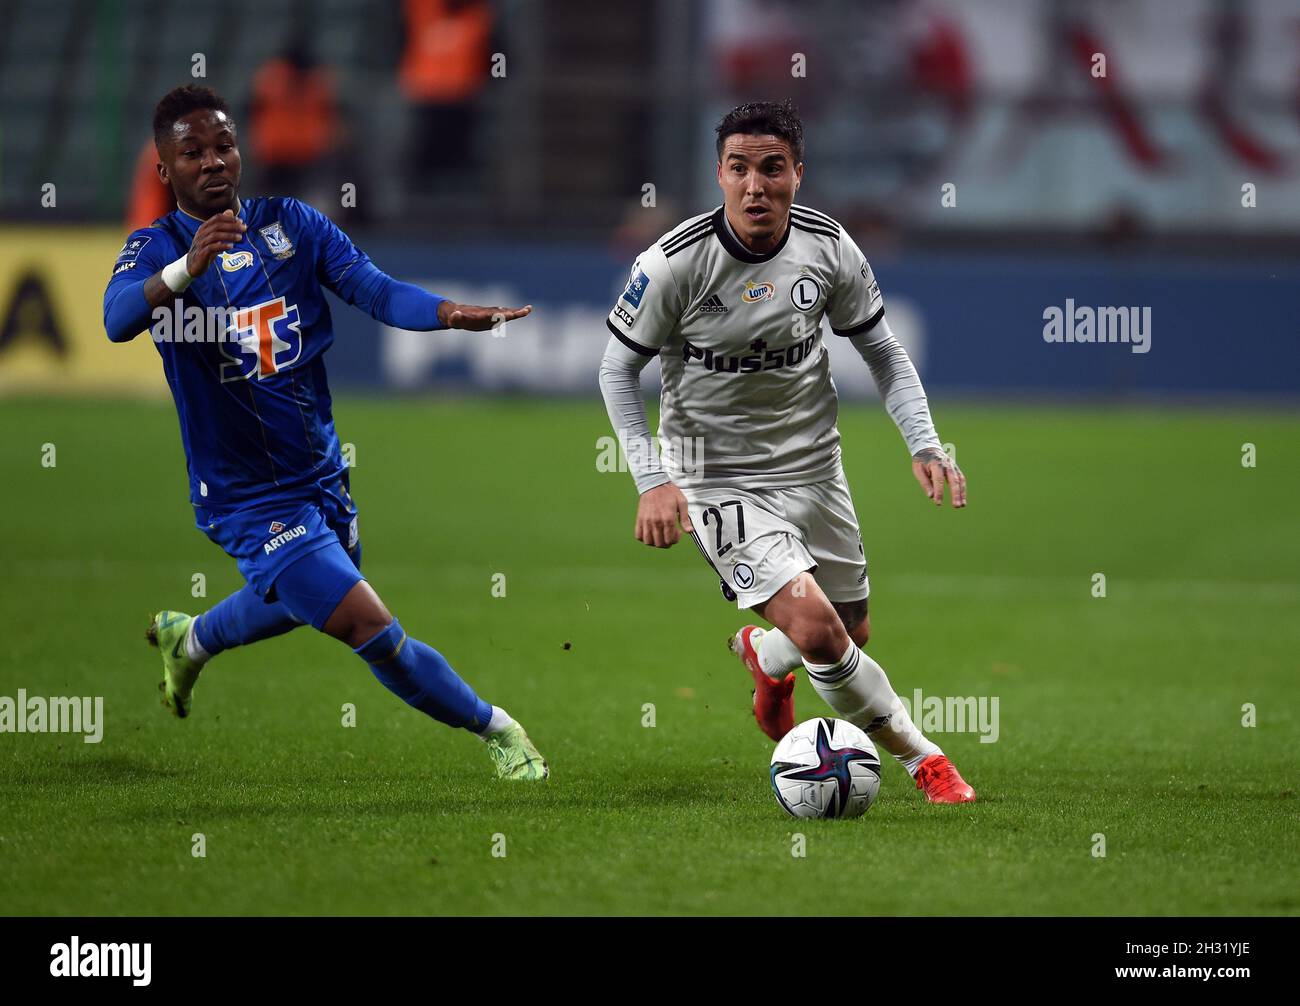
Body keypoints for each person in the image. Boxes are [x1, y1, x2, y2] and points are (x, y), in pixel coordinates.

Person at [102, 85, 547, 780]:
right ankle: (498, 730)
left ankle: (191, 641)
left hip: (319, 472)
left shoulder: (292, 226)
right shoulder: (153, 247)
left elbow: (375, 289)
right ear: (166, 172)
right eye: (193, 153)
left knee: (296, 601)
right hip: (245, 497)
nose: (214, 162)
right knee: (367, 624)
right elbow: (117, 318)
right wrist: (189, 266)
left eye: (224, 145)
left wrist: (446, 313)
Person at [598, 100, 974, 802]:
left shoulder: (829, 248)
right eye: (739, 169)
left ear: (798, 174)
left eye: (772, 169)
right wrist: (652, 480)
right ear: (719, 175)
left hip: (814, 466)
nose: (755, 186)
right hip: (714, 478)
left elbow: (884, 354)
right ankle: (924, 759)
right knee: (823, 634)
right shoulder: (674, 264)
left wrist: (923, 441)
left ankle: (766, 660)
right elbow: (616, 371)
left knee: (851, 625)